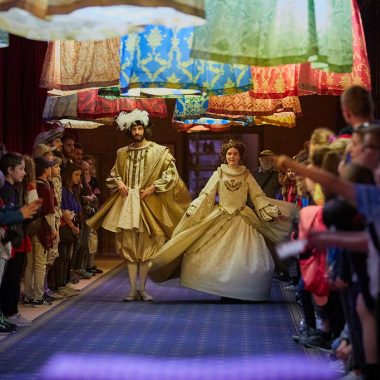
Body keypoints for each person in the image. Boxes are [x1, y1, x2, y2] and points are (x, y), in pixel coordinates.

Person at [150, 140, 296, 301]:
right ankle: (223, 289)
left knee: (245, 255)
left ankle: (241, 289)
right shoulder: (219, 173)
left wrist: (269, 210)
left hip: (243, 217)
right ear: (224, 156)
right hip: (221, 215)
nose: (232, 156)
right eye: (229, 153)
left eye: (235, 153)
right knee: (215, 254)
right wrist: (195, 208)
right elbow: (207, 195)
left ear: (240, 156)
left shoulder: (246, 174)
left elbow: (257, 196)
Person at [87, 109, 190, 302]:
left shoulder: (159, 151)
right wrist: (118, 182)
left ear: (145, 129)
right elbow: (113, 174)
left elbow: (171, 175)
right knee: (129, 247)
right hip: (127, 205)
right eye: (133, 129)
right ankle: (133, 289)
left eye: (139, 127)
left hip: (148, 204)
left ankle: (143, 288)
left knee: (147, 247)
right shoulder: (122, 153)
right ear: (129, 131)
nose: (136, 132)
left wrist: (153, 188)